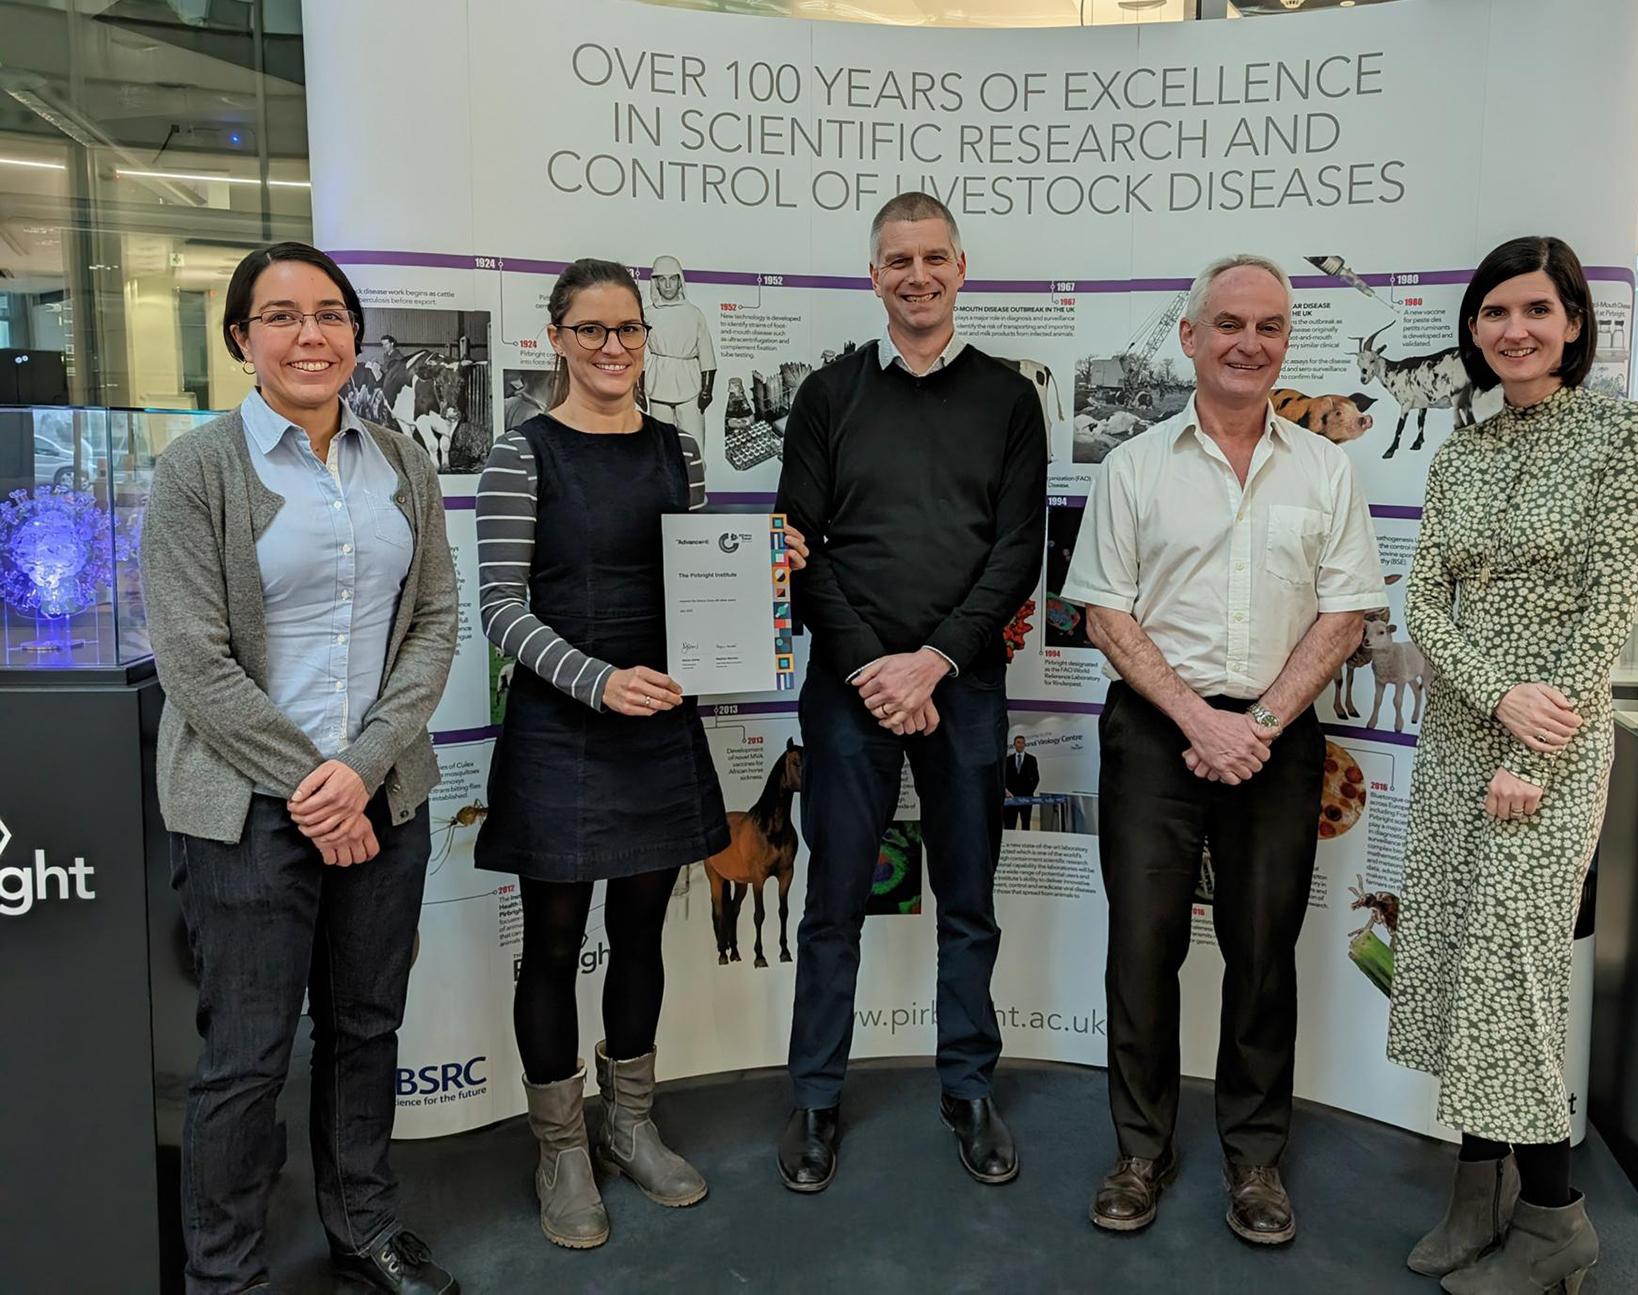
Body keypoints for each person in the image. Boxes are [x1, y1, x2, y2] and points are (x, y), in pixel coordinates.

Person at [142, 241, 460, 1295]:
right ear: (242, 340)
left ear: (357, 336)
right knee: (246, 1052)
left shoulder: (403, 462)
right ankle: (224, 1271)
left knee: (367, 1026)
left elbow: (436, 625)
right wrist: (317, 787)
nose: (309, 334)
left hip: (382, 796)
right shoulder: (200, 469)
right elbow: (192, 657)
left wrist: (361, 769)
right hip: (246, 807)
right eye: (280, 316)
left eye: (329, 313)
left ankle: (363, 1227)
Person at [473, 258, 807, 1250]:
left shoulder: (680, 450)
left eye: (627, 330)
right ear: (557, 338)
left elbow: (689, 591)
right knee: (552, 942)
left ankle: (630, 1122)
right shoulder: (518, 453)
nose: (614, 346)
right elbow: (500, 608)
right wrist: (596, 679)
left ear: (646, 337)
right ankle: (561, 1147)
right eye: (591, 330)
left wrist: (763, 577)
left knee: (640, 934)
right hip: (562, 725)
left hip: (658, 720)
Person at [1062, 254, 1386, 1245]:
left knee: (1262, 951)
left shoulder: (1326, 469)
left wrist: (1259, 721)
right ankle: (1140, 1148)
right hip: (1159, 734)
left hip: (1277, 737)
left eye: (1271, 327)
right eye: (1231, 324)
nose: (1251, 342)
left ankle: (1253, 1156)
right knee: (1142, 946)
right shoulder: (1133, 465)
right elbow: (1104, 611)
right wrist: (1200, 721)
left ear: (1287, 343)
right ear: (1192, 337)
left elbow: (1345, 613)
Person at [1386, 235, 1638, 1294]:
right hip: (1462, 732)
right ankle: (1478, 1188)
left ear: (1576, 323)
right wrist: (1490, 693)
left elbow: (1609, 607)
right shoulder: (1463, 449)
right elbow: (1425, 602)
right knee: (1463, 951)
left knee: (1511, 963)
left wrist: (1528, 737)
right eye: (1495, 311)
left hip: (1555, 742)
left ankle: (1555, 1219)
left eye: (1536, 310)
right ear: (1474, 329)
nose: (1514, 329)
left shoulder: (1622, 438)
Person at [774, 191, 1046, 1193]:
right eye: (899, 259)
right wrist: (875, 669)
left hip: (963, 686)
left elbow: (1018, 549)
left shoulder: (1010, 399)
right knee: (833, 898)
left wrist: (932, 662)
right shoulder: (826, 395)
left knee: (968, 898)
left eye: (935, 257)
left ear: (962, 269)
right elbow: (796, 548)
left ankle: (969, 1086)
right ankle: (813, 1095)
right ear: (874, 275)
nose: (918, 274)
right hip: (849, 689)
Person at [642, 254, 716, 457]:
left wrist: (707, 389)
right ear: (655, 282)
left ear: (679, 281)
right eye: (662, 279)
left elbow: (706, 353)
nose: (667, 285)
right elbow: (639, 353)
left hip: (690, 384)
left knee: (694, 443)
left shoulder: (694, 314)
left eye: (672, 279)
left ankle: (697, 487)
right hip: (658, 383)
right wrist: (638, 388)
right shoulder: (647, 315)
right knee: (660, 444)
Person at [1003, 735, 1041, 829]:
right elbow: (1004, 778)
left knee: (1026, 823)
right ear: (1014, 745)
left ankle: (1025, 842)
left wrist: (1029, 792)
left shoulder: (1032, 759)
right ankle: (1010, 842)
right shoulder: (1008, 760)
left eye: (1022, 743)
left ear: (1025, 745)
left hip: (1026, 797)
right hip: (1011, 798)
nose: (1020, 745)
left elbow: (1036, 778)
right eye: (1018, 742)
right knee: (1010, 823)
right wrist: (1007, 792)